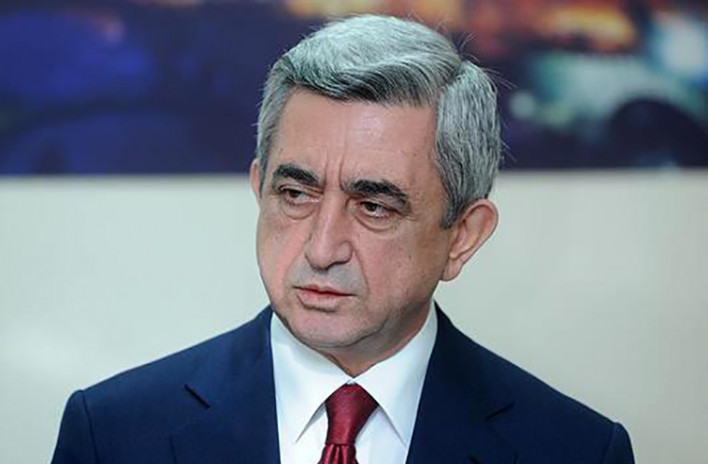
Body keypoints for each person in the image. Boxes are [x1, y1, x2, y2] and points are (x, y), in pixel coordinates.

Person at [51, 15, 634, 464]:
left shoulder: (576, 450)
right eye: (295, 194)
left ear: (462, 236)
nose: (321, 249)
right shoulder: (113, 433)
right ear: (259, 188)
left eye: (374, 206)